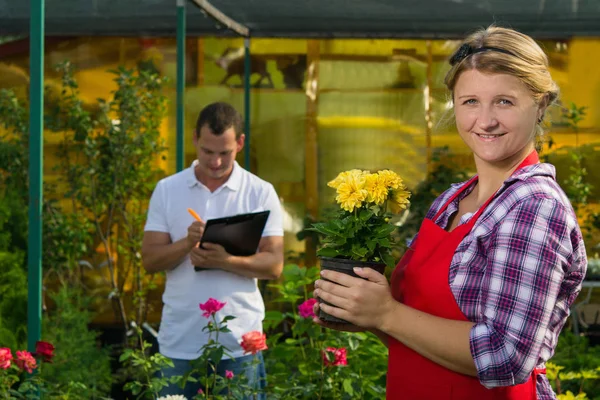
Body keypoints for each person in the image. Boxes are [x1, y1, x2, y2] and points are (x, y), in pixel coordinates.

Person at [313, 26, 587, 400]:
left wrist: (386, 315)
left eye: (505, 102)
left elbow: (505, 355)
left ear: (539, 105)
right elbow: (415, 327)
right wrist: (361, 310)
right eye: (470, 101)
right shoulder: (451, 200)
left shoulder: (535, 208)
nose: (485, 120)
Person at [142, 102, 284, 399]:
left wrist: (226, 260)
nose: (216, 161)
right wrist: (185, 243)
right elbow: (150, 260)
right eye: (208, 151)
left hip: (240, 343)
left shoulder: (260, 191)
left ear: (240, 143)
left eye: (225, 153)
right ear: (195, 138)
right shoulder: (168, 189)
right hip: (179, 341)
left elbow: (274, 265)